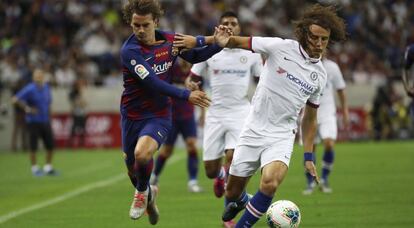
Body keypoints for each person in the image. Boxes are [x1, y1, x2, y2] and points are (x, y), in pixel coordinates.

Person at [181, 4, 346, 227]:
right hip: (253, 128)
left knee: (269, 183)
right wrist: (204, 41)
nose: (318, 44)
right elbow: (237, 42)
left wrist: (308, 156)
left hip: (281, 134)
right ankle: (242, 201)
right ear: (305, 33)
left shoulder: (320, 75)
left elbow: (309, 117)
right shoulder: (280, 47)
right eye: (315, 37)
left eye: (324, 40)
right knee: (232, 190)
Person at [120, 0, 228, 224]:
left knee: (142, 154)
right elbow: (152, 82)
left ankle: (141, 194)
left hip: (158, 115)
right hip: (132, 116)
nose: (140, 30)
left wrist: (218, 45)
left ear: (156, 22)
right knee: (133, 167)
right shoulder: (130, 51)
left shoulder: (170, 40)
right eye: (135, 25)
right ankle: (150, 195)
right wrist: (186, 95)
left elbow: (195, 56)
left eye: (145, 25)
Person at [186, 11, 263, 228]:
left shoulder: (251, 53)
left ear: (239, 28)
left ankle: (229, 218)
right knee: (210, 170)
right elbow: (192, 79)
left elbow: (262, 82)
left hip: (240, 112)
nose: (229, 25)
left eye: (233, 23)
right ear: (218, 28)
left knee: (234, 159)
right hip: (215, 113)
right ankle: (219, 174)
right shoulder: (209, 52)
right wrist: (191, 86)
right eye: (225, 23)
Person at [150, 59, 203, 193]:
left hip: (188, 115)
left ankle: (192, 181)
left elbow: (201, 92)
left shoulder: (196, 71)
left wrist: (203, 113)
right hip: (171, 115)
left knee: (191, 145)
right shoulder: (171, 68)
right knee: (167, 150)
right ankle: (155, 176)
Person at [302, 56, 349, 195]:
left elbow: (341, 89)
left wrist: (345, 111)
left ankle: (324, 179)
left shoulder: (332, 67)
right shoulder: (303, 64)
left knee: (329, 144)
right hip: (310, 113)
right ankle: (310, 182)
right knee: (311, 148)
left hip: (328, 112)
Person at [12, 68, 57, 176]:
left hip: (45, 120)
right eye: (37, 75)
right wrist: (27, 109)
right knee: (33, 146)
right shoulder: (30, 89)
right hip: (33, 121)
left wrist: (50, 117)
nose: (39, 77)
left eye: (41, 75)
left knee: (50, 145)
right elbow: (15, 99)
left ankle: (48, 167)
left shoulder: (46, 87)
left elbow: (49, 103)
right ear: (33, 77)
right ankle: (35, 168)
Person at [68, 79, 87, 148]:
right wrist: (80, 103)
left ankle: (82, 144)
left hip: (82, 113)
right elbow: (74, 104)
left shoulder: (81, 93)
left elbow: (84, 103)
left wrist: (80, 103)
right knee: (73, 130)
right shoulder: (72, 93)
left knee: (82, 129)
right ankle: (70, 144)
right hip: (76, 113)